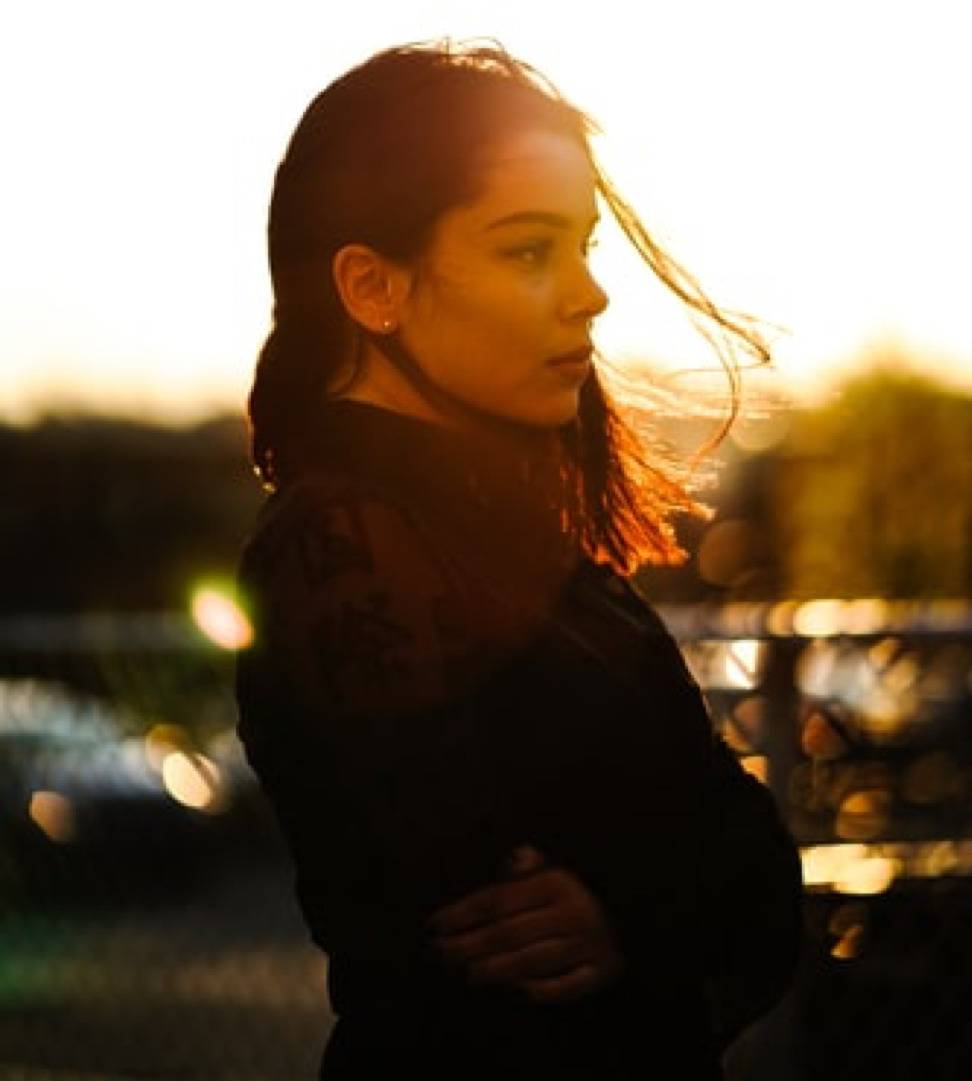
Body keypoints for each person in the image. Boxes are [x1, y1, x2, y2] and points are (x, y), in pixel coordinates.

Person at [234, 39, 803, 1080]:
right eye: (528, 250)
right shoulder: (342, 550)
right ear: (371, 286)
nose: (589, 295)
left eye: (584, 246)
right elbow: (490, 920)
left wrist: (642, 894)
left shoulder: (518, 536)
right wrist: (682, 879)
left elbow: (760, 875)